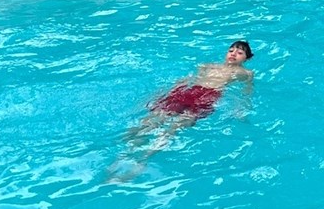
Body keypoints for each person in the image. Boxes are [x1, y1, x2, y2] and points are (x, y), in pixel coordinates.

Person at [108, 41, 255, 181]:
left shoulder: (246, 73)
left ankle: (143, 159)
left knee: (174, 128)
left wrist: (241, 109)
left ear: (246, 58)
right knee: (152, 121)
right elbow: (186, 80)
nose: (233, 54)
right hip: (186, 92)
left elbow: (247, 91)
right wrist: (162, 94)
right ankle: (121, 156)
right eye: (231, 50)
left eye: (240, 52)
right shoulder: (208, 66)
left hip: (207, 96)